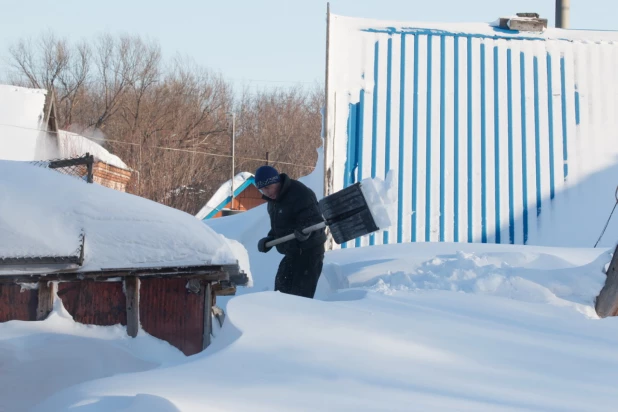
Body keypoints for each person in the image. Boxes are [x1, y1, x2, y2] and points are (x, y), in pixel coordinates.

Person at [255, 165, 326, 299]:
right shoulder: (273, 201)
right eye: (262, 189)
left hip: (309, 254)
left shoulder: (300, 193)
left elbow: (317, 223)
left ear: (276, 181)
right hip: (292, 253)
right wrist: (270, 239)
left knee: (299, 298)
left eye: (268, 187)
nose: (266, 192)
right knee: (280, 294)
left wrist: (306, 231)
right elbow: (281, 227)